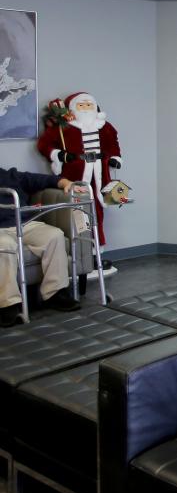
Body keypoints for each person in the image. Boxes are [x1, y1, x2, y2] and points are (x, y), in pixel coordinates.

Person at [1, 167, 85, 327]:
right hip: (0, 230)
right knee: (5, 246)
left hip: (24, 224)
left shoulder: (10, 175)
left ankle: (55, 293)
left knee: (54, 236)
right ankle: (7, 305)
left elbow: (45, 180)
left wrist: (66, 182)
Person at [37, 92, 123, 246]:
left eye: (89, 105)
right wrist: (60, 155)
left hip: (100, 173)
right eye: (81, 105)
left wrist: (115, 158)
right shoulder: (63, 127)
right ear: (73, 108)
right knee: (78, 210)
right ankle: (84, 253)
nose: (85, 108)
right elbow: (44, 144)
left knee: (98, 210)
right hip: (75, 174)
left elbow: (112, 143)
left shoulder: (104, 126)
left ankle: (97, 250)